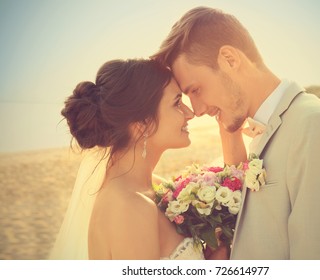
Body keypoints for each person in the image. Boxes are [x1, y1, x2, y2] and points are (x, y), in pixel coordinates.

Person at [152, 6, 320, 259]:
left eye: (196, 90)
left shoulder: (315, 126)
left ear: (230, 59)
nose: (196, 110)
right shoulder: (263, 130)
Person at [49, 58, 208, 259]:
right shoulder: (129, 208)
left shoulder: (154, 187)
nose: (190, 113)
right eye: (177, 102)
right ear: (141, 124)